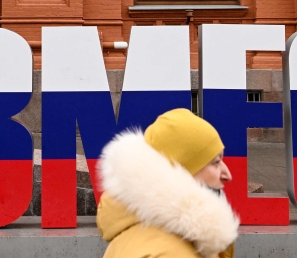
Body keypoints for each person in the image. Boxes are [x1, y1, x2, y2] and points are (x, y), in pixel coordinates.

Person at [97, 108, 239, 258]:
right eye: (215, 163)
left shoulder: (153, 235)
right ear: (182, 173)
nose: (227, 175)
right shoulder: (170, 253)